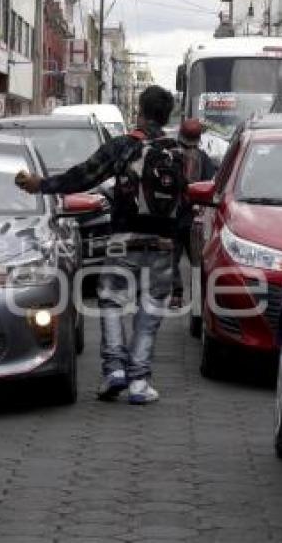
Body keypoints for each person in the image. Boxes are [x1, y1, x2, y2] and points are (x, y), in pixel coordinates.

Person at [15, 85, 181, 405]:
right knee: (150, 311)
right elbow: (185, 206)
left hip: (122, 240)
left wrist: (41, 185)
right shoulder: (176, 153)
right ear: (166, 115)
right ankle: (140, 382)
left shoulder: (123, 147)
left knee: (112, 302)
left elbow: (83, 176)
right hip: (163, 244)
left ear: (140, 113)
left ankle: (114, 370)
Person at [169, 118, 218, 309]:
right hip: (195, 218)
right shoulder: (204, 159)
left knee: (173, 257)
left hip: (174, 216)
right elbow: (210, 187)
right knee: (197, 261)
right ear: (199, 138)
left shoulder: (171, 156)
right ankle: (198, 298)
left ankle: (176, 295)